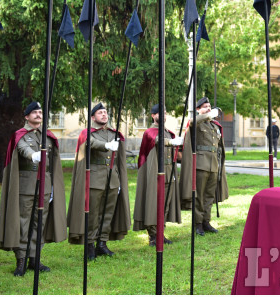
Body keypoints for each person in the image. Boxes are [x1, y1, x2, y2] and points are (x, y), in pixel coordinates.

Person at [0, 101, 67, 276]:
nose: (38, 114)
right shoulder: (20, 135)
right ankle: (21, 259)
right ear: (26, 116)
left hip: (44, 185)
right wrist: (33, 155)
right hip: (26, 186)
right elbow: (22, 149)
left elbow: (53, 164)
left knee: (39, 223)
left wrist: (51, 187)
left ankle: (35, 258)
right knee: (23, 222)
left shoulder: (48, 137)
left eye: (40, 112)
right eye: (34, 112)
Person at [67, 103, 130, 260]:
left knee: (107, 213)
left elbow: (119, 159)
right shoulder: (87, 133)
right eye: (100, 113)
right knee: (93, 214)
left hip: (112, 179)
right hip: (95, 179)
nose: (104, 115)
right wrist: (106, 145)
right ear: (93, 117)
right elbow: (90, 143)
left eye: (105, 112)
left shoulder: (113, 133)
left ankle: (102, 243)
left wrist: (119, 179)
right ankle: (90, 245)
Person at [133, 104, 184, 245]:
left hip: (168, 173)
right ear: (153, 116)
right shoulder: (149, 132)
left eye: (165, 113)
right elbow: (157, 141)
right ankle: (153, 236)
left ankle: (161, 233)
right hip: (155, 174)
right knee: (154, 204)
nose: (163, 116)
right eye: (160, 113)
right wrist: (171, 142)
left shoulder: (168, 132)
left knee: (165, 204)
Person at [179, 97, 229, 236]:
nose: (208, 108)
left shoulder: (214, 126)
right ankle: (198, 224)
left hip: (213, 164)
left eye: (209, 106)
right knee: (199, 196)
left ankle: (206, 221)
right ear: (198, 109)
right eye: (205, 106)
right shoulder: (197, 122)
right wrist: (207, 115)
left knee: (209, 195)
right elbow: (192, 122)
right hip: (200, 164)